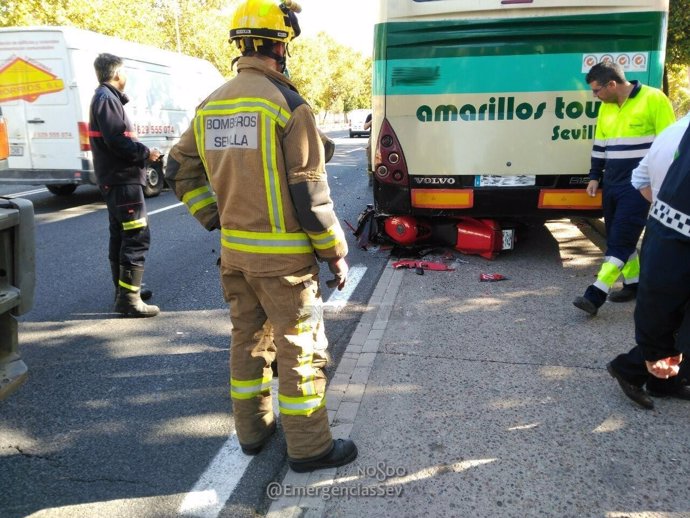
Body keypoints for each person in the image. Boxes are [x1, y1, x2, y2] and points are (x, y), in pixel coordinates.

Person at [165, 0, 357, 472]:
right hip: (287, 267)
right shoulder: (288, 105)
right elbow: (310, 197)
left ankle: (253, 433)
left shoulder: (212, 104)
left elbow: (177, 169)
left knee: (247, 343)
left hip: (235, 257)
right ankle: (310, 448)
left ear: (239, 47)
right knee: (300, 348)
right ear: (281, 46)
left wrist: (215, 217)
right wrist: (335, 253)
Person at [573, 62, 675, 316]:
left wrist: (661, 182)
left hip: (640, 184)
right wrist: (595, 176)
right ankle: (634, 284)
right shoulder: (606, 109)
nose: (595, 96)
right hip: (613, 183)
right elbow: (601, 145)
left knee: (620, 239)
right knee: (619, 236)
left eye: (597, 90)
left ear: (612, 84)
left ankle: (596, 292)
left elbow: (669, 144)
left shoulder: (654, 99)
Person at [607, 119, 690, 409]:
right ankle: (635, 369)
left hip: (665, 229)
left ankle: (661, 380)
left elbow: (640, 180)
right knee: (670, 315)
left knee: (671, 315)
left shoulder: (676, 128)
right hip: (675, 234)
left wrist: (660, 213)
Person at [89, 53, 160, 318]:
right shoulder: (107, 99)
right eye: (125, 72)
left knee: (121, 235)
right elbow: (117, 141)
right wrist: (146, 153)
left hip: (117, 180)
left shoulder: (105, 98)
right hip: (122, 180)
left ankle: (127, 291)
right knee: (135, 236)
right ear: (117, 74)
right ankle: (129, 300)